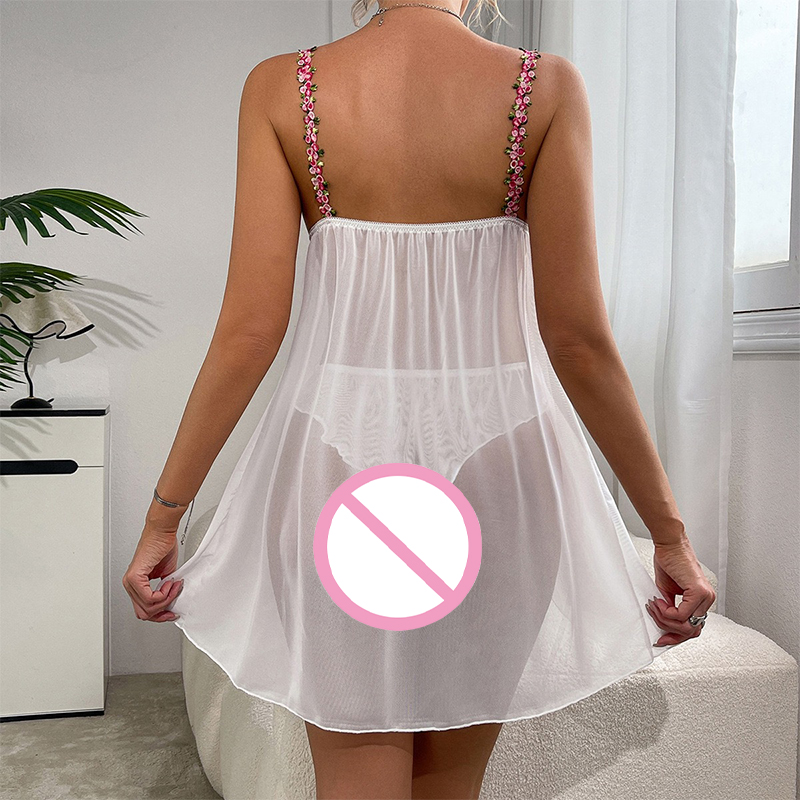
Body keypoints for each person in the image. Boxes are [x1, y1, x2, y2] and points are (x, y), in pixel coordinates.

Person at [123, 1, 716, 798]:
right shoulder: (542, 88)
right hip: (500, 456)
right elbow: (578, 340)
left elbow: (248, 332)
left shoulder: (282, 88)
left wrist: (164, 519)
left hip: (340, 460)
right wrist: (669, 536)